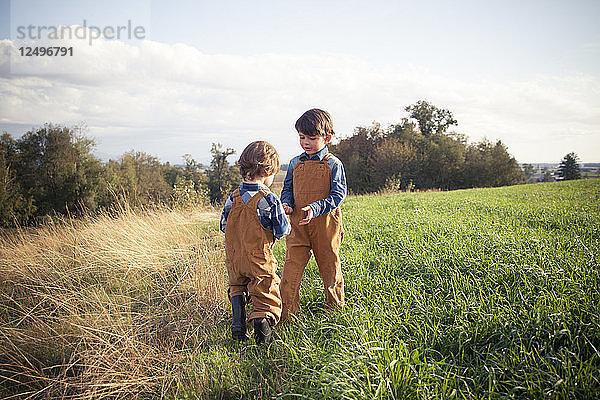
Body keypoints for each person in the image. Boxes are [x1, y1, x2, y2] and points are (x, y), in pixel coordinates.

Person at [280, 108, 347, 322]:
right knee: (291, 269)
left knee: (330, 268)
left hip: (325, 226)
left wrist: (316, 208)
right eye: (301, 137)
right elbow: (287, 189)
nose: (305, 142)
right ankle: (287, 315)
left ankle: (335, 312)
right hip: (298, 226)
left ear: (327, 138)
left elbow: (338, 195)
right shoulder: (294, 164)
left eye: (311, 138)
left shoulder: (333, 164)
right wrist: (287, 203)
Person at [220, 141, 290, 344]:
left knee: (237, 286)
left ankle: (238, 325)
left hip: (234, 257)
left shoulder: (232, 198)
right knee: (265, 290)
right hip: (259, 257)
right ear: (268, 171)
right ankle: (262, 329)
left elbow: (224, 225)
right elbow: (282, 229)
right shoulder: (268, 199)